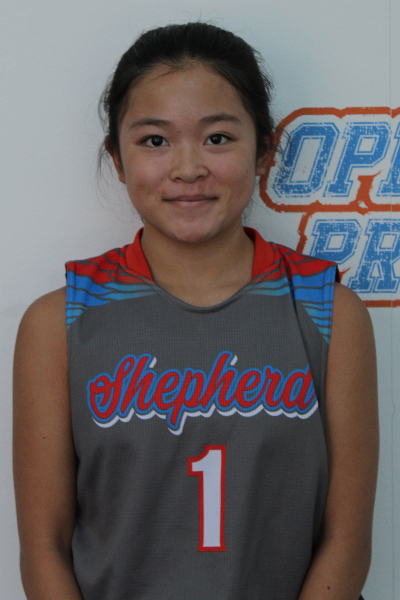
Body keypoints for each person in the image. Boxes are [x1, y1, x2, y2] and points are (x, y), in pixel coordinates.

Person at [13, 22, 379, 600]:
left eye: (218, 138)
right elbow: (44, 549)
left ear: (263, 150)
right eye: (155, 141)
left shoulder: (329, 311)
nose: (187, 168)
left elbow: (347, 542)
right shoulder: (58, 324)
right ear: (117, 158)